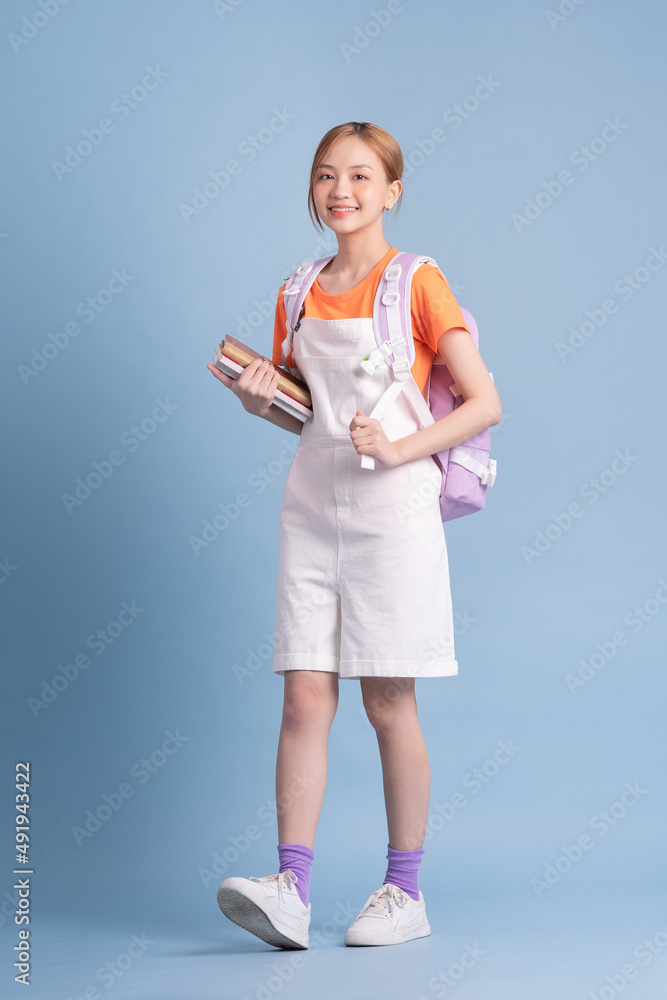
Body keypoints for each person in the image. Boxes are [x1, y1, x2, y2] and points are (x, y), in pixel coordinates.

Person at [207, 121, 502, 950]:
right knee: (303, 695)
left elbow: (483, 401)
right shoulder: (297, 289)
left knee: (385, 702)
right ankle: (290, 890)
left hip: (392, 512)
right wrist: (257, 397)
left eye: (361, 177)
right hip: (310, 506)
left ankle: (403, 893)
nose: (341, 191)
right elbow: (307, 415)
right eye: (326, 176)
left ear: (392, 190)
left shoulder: (416, 280)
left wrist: (398, 447)